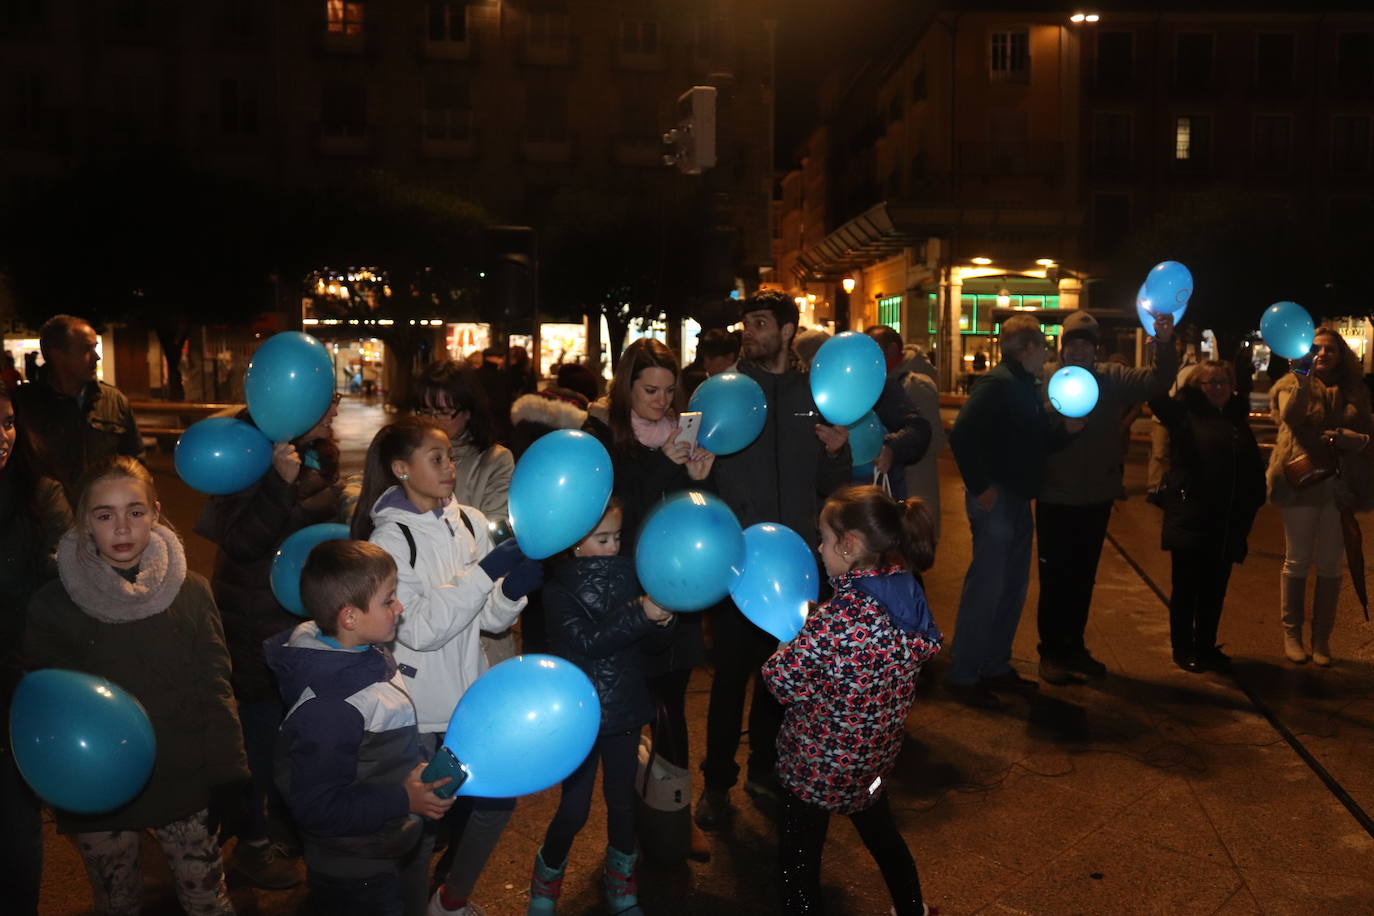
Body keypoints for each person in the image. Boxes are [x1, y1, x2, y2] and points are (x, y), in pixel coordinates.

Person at [25, 456, 247, 916]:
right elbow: (49, 706)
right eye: (105, 515)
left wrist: (230, 775)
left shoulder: (191, 592)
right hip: (98, 791)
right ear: (85, 523)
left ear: (157, 513)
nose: (122, 528)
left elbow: (215, 686)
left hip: (181, 779)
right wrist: (58, 781)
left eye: (136, 511)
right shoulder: (54, 605)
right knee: (116, 902)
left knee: (207, 899)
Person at [351, 416, 543, 916]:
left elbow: (488, 619)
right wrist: (486, 573)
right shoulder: (391, 539)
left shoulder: (471, 522)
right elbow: (418, 629)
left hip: (471, 698)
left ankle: (451, 898)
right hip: (421, 711)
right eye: (436, 459)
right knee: (423, 824)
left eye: (451, 458)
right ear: (400, 469)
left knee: (498, 802)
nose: (450, 468)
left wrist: (515, 589)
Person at [698, 290, 852, 828]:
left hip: (803, 564)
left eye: (761, 323)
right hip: (740, 562)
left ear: (788, 331)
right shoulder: (722, 395)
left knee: (782, 676)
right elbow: (700, 479)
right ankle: (716, 782)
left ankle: (765, 768)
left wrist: (838, 452)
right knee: (730, 677)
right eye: (747, 323)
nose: (749, 332)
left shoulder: (818, 393)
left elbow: (832, 486)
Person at [763, 485, 942, 915]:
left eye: (823, 538)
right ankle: (912, 909)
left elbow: (782, 682)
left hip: (817, 767)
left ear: (849, 544)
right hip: (873, 762)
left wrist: (786, 646)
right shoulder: (908, 595)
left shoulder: (833, 622)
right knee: (883, 836)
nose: (818, 547)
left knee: (800, 858)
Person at [193, 393, 343, 889]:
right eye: (327, 398)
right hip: (255, 621)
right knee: (259, 741)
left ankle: (280, 831)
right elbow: (242, 540)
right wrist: (279, 483)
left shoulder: (314, 450)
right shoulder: (249, 452)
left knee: (296, 735)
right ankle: (251, 843)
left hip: (298, 619)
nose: (336, 408)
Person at [266, 539, 455, 916]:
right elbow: (317, 805)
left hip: (381, 845)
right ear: (349, 617)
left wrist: (417, 771)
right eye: (388, 600)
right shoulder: (331, 706)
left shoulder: (363, 653)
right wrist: (404, 798)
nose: (399, 607)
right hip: (355, 871)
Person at [584, 338, 715, 858]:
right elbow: (617, 511)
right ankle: (626, 823)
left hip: (679, 586)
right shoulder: (603, 437)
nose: (661, 401)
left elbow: (696, 514)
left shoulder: (683, 433)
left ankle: (676, 817)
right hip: (622, 590)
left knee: (672, 706)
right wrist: (664, 464)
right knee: (625, 708)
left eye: (669, 391)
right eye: (650, 390)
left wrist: (705, 479)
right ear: (626, 386)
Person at [528, 500, 676, 914]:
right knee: (573, 809)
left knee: (622, 804)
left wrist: (663, 621)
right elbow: (590, 641)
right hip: (579, 713)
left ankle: (622, 883)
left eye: (616, 538)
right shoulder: (557, 591)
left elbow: (652, 645)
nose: (613, 547)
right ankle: (545, 882)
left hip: (624, 708)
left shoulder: (632, 576)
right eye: (602, 539)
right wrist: (641, 613)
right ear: (575, 544)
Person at [945, 314, 1081, 709]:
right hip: (999, 499)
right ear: (1029, 349)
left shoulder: (1022, 384)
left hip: (1017, 498)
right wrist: (982, 488)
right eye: (1043, 347)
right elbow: (963, 434)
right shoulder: (999, 384)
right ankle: (965, 672)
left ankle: (993, 665)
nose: (1047, 355)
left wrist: (1064, 434)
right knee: (988, 586)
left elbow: (1030, 442)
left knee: (1010, 586)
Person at [1034, 311, 1178, 684]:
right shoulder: (1045, 379)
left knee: (1083, 577)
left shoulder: (1111, 378)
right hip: (1055, 496)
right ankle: (1051, 652)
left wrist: (1163, 345)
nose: (1079, 350)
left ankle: (1074, 647)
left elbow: (1156, 382)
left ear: (1095, 348)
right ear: (1062, 348)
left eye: (1086, 343)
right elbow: (1028, 428)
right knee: (1055, 579)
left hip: (1096, 497)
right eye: (1073, 343)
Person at [0, 380, 70, 916]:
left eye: (6, 424)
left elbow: (60, 580)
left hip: (19, 676)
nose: (2, 436)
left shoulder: (41, 494)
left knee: (17, 817)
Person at [1267, 328, 1374, 667]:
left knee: (1331, 564)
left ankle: (1322, 639)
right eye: (1317, 348)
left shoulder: (1356, 389)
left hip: (1341, 488)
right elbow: (1291, 417)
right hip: (1303, 481)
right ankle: (1292, 634)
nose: (1323, 353)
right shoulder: (1290, 384)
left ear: (1342, 354)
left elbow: (1368, 435)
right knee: (1297, 560)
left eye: (1330, 348)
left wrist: (1353, 439)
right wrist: (1302, 379)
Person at [1150, 362, 1266, 672]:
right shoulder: (1185, 415)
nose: (1217, 387)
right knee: (1187, 588)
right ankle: (1183, 647)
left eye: (1222, 382)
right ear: (1195, 386)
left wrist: (1254, 499)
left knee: (1215, 588)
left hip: (1226, 521)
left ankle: (1205, 645)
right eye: (1209, 382)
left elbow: (1251, 468)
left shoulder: (1236, 420)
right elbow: (1155, 397)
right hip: (1192, 517)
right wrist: (1162, 350)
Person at [414, 361, 518, 665]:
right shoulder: (407, 452)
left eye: (443, 413)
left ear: (468, 412)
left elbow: (491, 531)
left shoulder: (494, 460)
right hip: (424, 604)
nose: (432, 421)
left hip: (479, 602)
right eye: (424, 411)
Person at [12, 314, 144, 503]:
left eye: (95, 348)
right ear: (58, 356)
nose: (96, 357)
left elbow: (136, 463)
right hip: (46, 522)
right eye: (86, 349)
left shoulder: (114, 401)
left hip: (103, 517)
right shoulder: (24, 404)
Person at [862, 325, 936, 498]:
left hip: (911, 481)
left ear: (892, 349)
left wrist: (895, 450)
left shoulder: (915, 384)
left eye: (874, 347)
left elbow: (931, 436)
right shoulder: (874, 381)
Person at [892, 342, 946, 540]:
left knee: (911, 546)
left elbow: (934, 438)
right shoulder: (894, 379)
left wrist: (901, 445)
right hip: (902, 480)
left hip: (913, 481)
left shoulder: (917, 385)